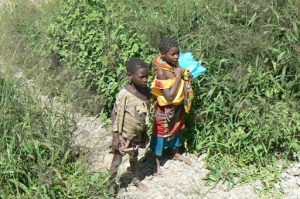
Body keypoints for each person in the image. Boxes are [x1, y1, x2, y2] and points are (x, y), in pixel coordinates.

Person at [150, 37, 193, 176]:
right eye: (172, 54)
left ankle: (175, 153)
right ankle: (156, 163)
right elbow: (168, 96)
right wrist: (179, 77)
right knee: (161, 133)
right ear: (163, 55)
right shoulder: (161, 72)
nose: (176, 57)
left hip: (178, 106)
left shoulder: (175, 65)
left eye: (177, 53)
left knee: (176, 129)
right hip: (165, 109)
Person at [109, 57, 150, 194]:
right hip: (123, 135)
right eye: (141, 77)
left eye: (147, 76)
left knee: (134, 157)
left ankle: (136, 178)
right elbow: (115, 114)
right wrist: (115, 136)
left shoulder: (146, 92)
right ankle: (111, 184)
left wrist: (144, 133)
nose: (145, 80)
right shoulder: (124, 94)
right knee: (116, 161)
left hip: (136, 133)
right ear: (130, 76)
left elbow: (144, 114)